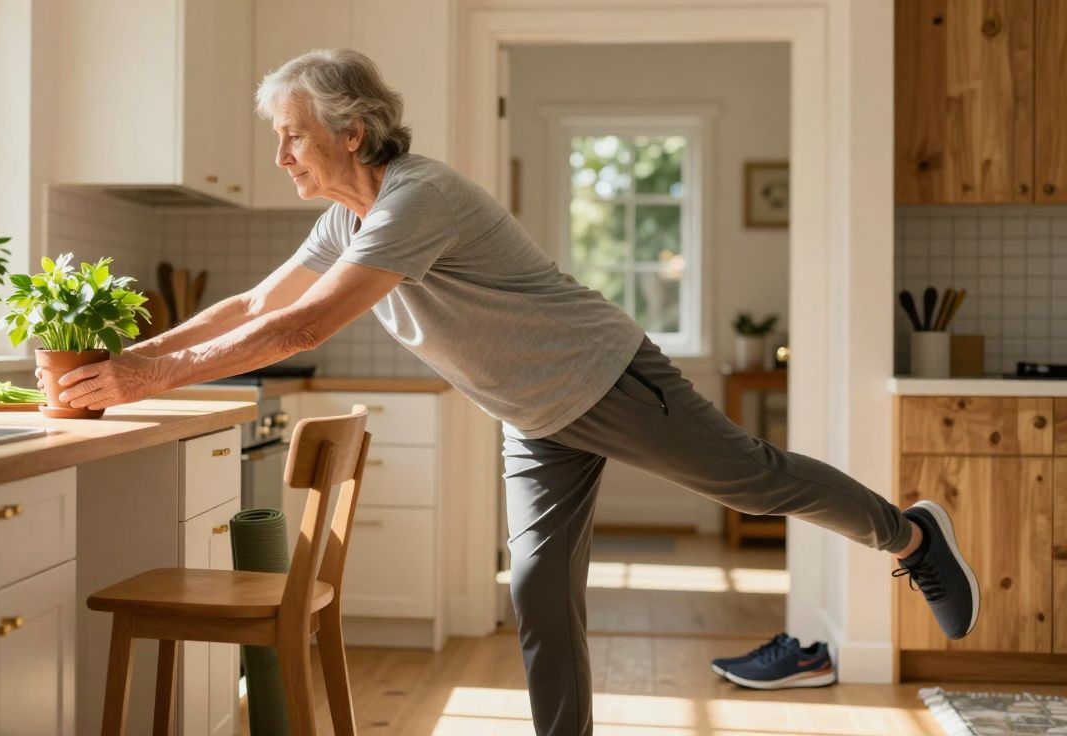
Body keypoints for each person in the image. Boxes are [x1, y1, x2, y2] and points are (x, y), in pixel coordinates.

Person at [53, 49, 979, 736]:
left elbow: (302, 328)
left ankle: (908, 536)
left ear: (352, 130)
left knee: (753, 480)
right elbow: (261, 300)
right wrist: (133, 355)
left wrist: (141, 376)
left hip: (603, 377)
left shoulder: (419, 197)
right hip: (532, 416)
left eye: (292, 135)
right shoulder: (346, 217)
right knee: (539, 594)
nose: (284, 155)